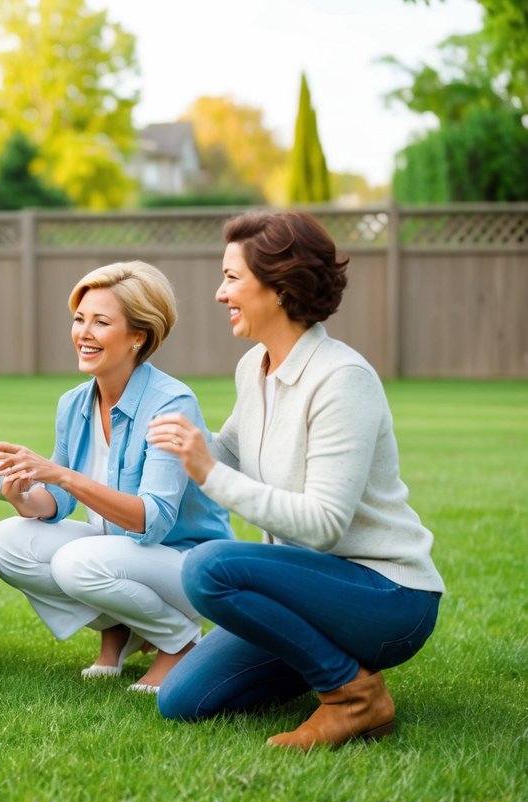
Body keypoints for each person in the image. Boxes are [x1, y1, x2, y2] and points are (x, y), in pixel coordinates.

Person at [149, 210, 445, 750]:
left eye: (232, 278)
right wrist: (172, 429)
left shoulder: (341, 378)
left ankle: (353, 697)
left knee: (209, 568)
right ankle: (331, 666)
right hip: (306, 594)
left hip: (386, 595)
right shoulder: (253, 367)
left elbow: (324, 526)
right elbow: (230, 451)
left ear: (281, 288)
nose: (220, 294)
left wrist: (208, 471)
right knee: (183, 700)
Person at [0, 262, 232, 691]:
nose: (84, 333)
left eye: (101, 322)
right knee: (3, 542)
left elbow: (151, 521)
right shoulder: (74, 403)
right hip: (116, 553)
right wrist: (24, 496)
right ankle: (122, 630)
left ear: (138, 336)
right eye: (79, 320)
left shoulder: (170, 402)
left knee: (77, 562)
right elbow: (58, 502)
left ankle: (181, 641)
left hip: (184, 564)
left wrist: (60, 475)